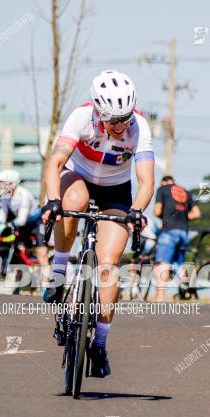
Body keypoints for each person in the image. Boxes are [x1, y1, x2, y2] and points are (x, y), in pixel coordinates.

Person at [41, 69, 155, 377]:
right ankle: (60, 269)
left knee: (107, 265)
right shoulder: (80, 118)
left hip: (116, 191)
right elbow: (55, 163)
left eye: (125, 117)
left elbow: (145, 180)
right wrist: (53, 200)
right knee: (73, 202)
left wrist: (136, 210)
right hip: (78, 179)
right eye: (113, 119)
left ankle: (101, 344)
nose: (121, 126)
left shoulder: (139, 126)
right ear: (98, 111)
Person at [0, 169, 48, 275]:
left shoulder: (24, 195)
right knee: (21, 252)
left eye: (2, 183)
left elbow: (22, 219)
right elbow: (3, 212)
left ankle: (46, 285)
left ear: (12, 183)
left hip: (36, 223)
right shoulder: (5, 195)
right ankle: (18, 285)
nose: (0, 185)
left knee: (41, 255)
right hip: (23, 225)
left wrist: (6, 225)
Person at [152, 175, 200, 302]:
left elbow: (157, 211)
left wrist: (167, 217)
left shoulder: (162, 189)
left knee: (163, 263)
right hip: (184, 232)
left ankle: (160, 297)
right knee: (179, 264)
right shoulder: (185, 191)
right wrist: (183, 217)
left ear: (164, 182)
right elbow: (196, 213)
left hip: (169, 231)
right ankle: (187, 293)